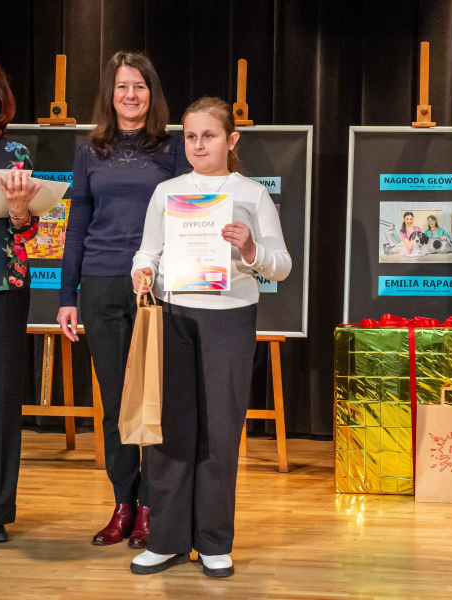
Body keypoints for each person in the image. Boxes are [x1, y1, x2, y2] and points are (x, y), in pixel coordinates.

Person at [129, 97, 292, 576]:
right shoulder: (168, 192)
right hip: (175, 315)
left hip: (230, 319)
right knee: (170, 431)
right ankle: (167, 540)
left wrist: (251, 248)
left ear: (231, 139)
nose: (199, 145)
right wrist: (142, 271)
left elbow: (282, 265)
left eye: (209, 135)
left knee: (220, 431)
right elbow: (148, 252)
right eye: (191, 136)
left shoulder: (252, 195)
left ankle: (214, 541)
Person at [57, 52, 189, 548]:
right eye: (121, 87)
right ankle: (123, 504)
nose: (130, 95)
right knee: (115, 405)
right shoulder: (89, 151)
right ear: (109, 96)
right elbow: (76, 227)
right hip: (100, 285)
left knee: (152, 402)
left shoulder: (172, 150)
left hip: (154, 288)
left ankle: (152, 506)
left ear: (152, 94)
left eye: (139, 86)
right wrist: (67, 296)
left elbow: (185, 221)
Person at [0, 57, 42, 543]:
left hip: (3, 284)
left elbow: (28, 232)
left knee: (0, 396)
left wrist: (22, 212)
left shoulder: (14, 152)